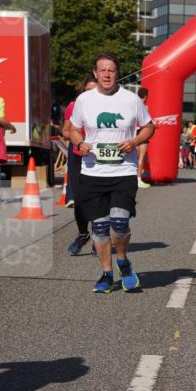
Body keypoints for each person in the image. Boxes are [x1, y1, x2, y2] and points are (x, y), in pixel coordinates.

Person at [68, 53, 155, 293]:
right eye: (102, 70)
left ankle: (123, 261)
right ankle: (107, 273)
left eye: (112, 70)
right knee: (99, 228)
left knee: (119, 222)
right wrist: (80, 143)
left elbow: (149, 126)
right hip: (93, 172)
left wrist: (135, 141)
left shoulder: (131, 100)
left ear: (117, 74)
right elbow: (73, 129)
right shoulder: (84, 100)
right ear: (95, 74)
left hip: (123, 171)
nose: (107, 74)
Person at [64, 74, 98, 255]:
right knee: (80, 200)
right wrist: (80, 140)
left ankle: (98, 238)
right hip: (79, 155)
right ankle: (83, 233)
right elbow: (66, 131)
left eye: (95, 91)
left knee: (99, 200)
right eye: (88, 90)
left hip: (99, 158)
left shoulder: (107, 106)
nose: (91, 95)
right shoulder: (74, 106)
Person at [136, 87, 151, 189]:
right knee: (141, 156)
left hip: (133, 132)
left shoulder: (133, 105)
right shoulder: (144, 107)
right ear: (146, 96)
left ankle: (139, 176)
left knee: (135, 156)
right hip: (142, 131)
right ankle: (139, 179)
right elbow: (147, 122)